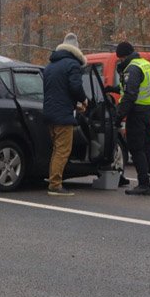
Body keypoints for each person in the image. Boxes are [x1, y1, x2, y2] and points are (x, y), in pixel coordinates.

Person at [115, 41, 150, 195]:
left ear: (124, 56)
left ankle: (143, 183)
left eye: (120, 59)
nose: (120, 62)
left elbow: (130, 94)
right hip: (147, 110)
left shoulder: (133, 68)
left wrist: (118, 116)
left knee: (136, 148)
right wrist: (113, 88)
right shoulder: (146, 65)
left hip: (136, 112)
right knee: (146, 147)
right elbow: (136, 86)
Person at [42, 33, 88, 196]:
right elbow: (75, 87)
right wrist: (83, 100)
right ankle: (55, 184)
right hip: (63, 115)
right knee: (63, 150)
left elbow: (57, 91)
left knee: (56, 149)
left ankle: (53, 179)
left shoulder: (50, 66)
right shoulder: (72, 65)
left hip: (49, 113)